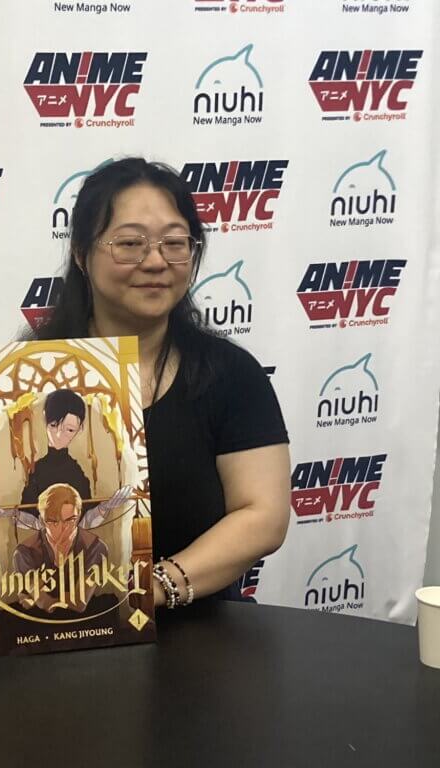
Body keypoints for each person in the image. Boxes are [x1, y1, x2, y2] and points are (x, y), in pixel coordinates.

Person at [31, 157, 289, 608]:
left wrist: (154, 588)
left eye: (174, 242)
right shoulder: (28, 375)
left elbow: (263, 516)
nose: (155, 261)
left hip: (204, 632)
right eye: (130, 243)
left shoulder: (231, 375)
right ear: (80, 253)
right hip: (56, 632)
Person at [14, 483, 108, 613]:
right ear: (42, 520)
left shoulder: (95, 547)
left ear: (79, 516)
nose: (63, 529)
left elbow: (79, 604)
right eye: (53, 521)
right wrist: (57, 564)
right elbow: (44, 602)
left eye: (70, 520)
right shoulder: (24, 551)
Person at [19, 389, 92, 510]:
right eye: (53, 425)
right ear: (44, 417)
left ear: (80, 428)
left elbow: (87, 516)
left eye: (69, 430)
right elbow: (26, 514)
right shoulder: (36, 472)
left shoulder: (77, 474)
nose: (58, 435)